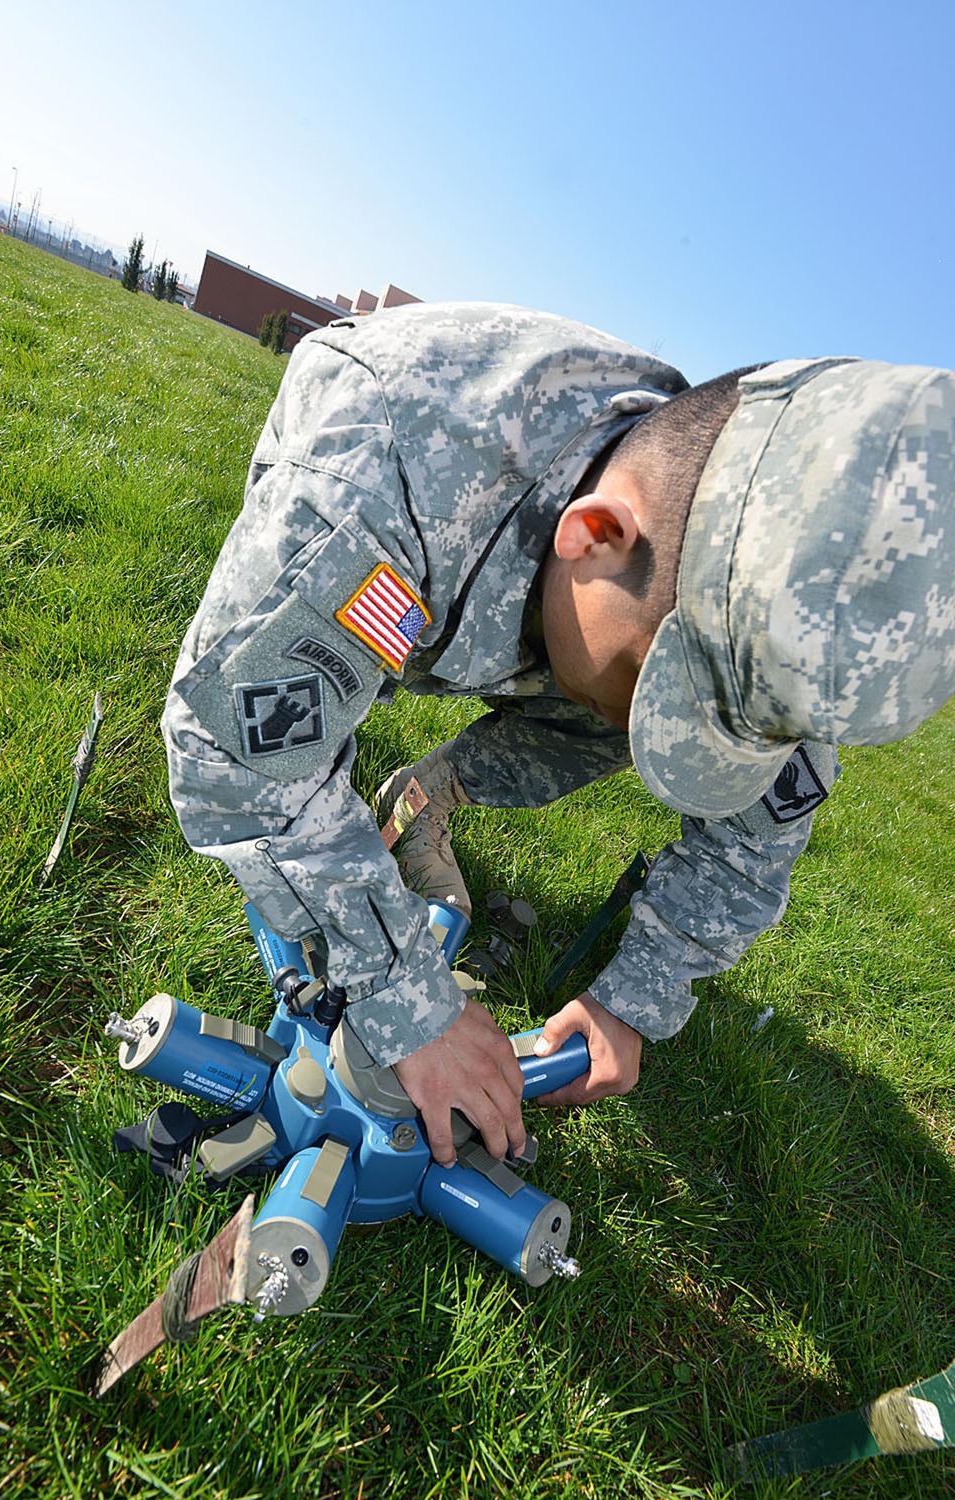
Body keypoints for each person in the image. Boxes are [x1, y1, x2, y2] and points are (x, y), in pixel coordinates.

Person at [161, 302, 954, 1168]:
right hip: (418, 500)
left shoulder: (780, 629)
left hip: (555, 586)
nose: (643, 738)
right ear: (597, 537)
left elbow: (756, 841)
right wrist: (408, 1000)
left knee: (612, 701)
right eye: (655, 688)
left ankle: (433, 792)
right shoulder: (381, 478)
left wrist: (634, 999)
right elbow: (231, 755)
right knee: (309, 694)